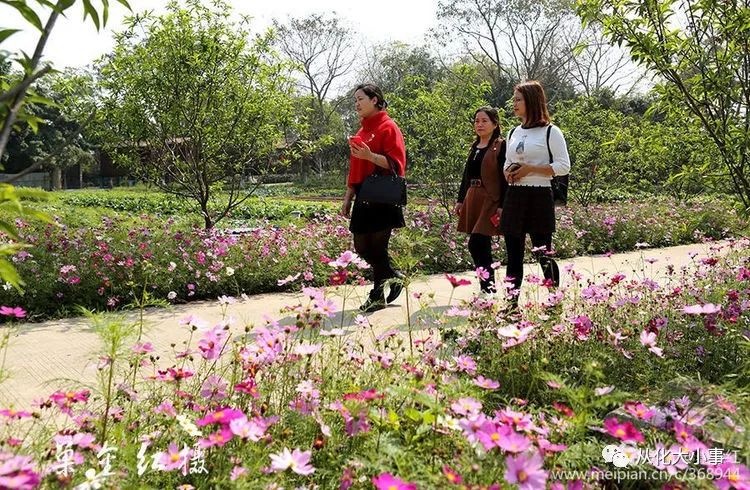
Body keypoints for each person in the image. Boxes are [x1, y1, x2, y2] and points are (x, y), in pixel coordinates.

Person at [500, 80, 570, 310]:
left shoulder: (551, 131)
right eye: (514, 99)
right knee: (513, 254)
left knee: (543, 252)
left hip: (539, 196)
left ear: (531, 101)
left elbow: (563, 166)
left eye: (518, 99)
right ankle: (511, 305)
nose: (514, 103)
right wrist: (508, 172)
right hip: (515, 195)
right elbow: (509, 161)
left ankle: (554, 301)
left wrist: (531, 170)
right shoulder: (513, 132)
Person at [341, 83, 407, 313]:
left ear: (375, 100)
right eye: (355, 100)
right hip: (363, 196)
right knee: (361, 247)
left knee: (378, 249)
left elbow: (396, 164)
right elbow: (355, 168)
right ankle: (394, 276)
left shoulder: (388, 127)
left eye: (360, 99)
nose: (357, 104)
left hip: (382, 195)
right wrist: (348, 196)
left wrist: (370, 156)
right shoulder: (361, 132)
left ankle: (377, 295)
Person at [454, 106, 507, 294]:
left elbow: (504, 178)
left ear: (495, 124)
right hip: (473, 196)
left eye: (484, 121)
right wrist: (460, 200)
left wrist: (502, 205)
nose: (480, 124)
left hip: (490, 199)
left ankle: (488, 286)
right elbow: (466, 176)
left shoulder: (500, 146)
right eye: (477, 121)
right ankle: (488, 287)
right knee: (480, 244)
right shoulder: (475, 147)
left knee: (476, 242)